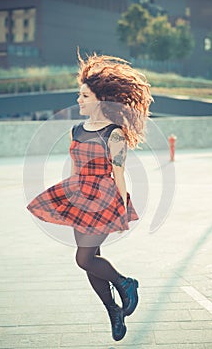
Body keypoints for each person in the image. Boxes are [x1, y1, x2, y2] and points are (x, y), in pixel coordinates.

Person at [27, 52, 152, 341]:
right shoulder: (76, 130)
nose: (79, 100)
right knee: (91, 258)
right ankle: (114, 311)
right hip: (79, 198)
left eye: (84, 95)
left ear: (100, 99)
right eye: (79, 95)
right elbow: (73, 169)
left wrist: (122, 207)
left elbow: (119, 173)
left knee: (83, 258)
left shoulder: (115, 134)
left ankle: (125, 283)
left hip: (104, 200)